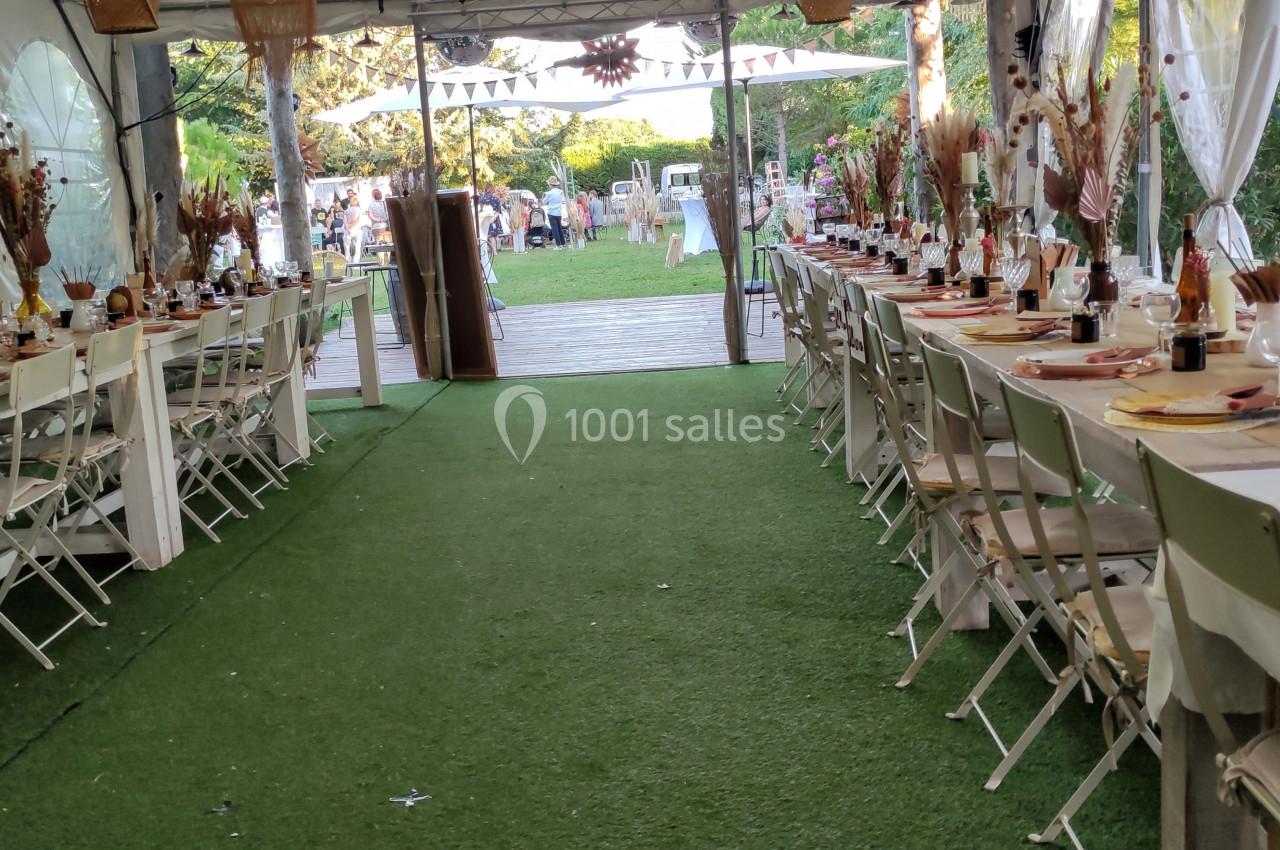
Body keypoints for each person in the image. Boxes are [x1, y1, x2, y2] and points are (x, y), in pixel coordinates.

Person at [477, 183, 503, 256]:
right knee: (492, 236)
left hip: (483, 218)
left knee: (483, 235)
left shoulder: (481, 198)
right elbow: (498, 211)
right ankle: (494, 251)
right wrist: (493, 218)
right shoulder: (496, 199)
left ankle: (483, 250)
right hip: (493, 219)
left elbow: (479, 210)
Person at [542, 176, 565, 250]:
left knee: (555, 229)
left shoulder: (549, 193)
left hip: (552, 212)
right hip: (559, 212)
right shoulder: (560, 192)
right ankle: (562, 243)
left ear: (550, 185)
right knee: (559, 228)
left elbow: (544, 201)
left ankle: (558, 245)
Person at [343, 189, 365, 262]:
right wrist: (351, 226)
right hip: (357, 229)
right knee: (358, 247)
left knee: (347, 247)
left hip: (348, 230)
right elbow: (358, 220)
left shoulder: (347, 210)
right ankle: (356, 262)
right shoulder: (360, 210)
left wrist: (348, 227)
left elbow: (345, 221)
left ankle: (347, 261)